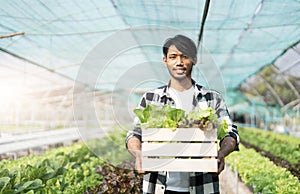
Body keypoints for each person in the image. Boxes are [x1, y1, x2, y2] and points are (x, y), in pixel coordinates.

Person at [126, 34, 239, 194]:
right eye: (173, 57)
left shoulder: (212, 98)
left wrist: (221, 154)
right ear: (165, 60)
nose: (179, 62)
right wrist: (138, 153)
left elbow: (230, 133)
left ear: (194, 59)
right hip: (158, 186)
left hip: (202, 186)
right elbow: (134, 134)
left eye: (185, 56)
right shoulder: (151, 99)